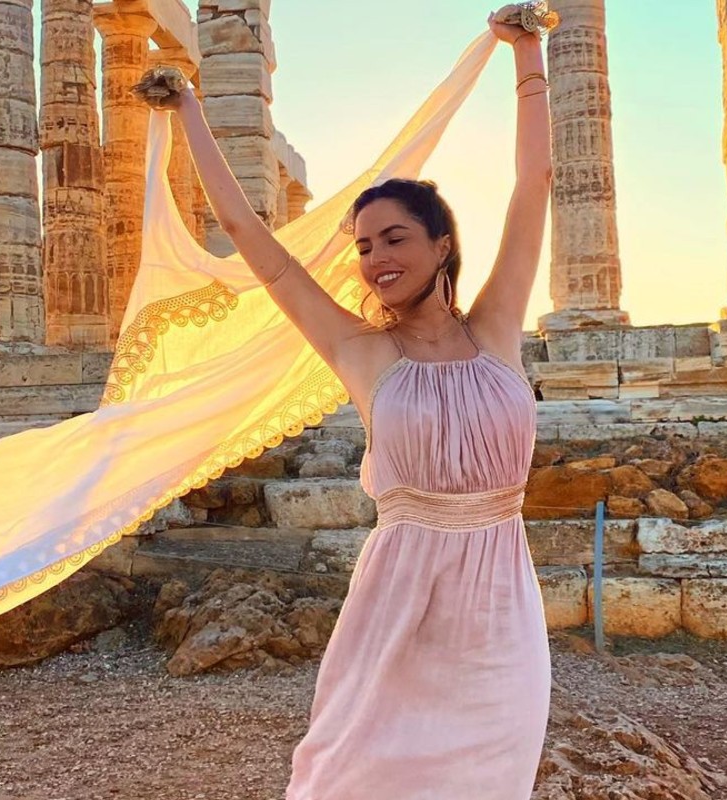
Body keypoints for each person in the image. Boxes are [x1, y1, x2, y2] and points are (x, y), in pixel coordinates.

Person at [163, 6, 553, 797]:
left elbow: (534, 185)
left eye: (395, 238)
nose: (375, 258)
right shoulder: (361, 351)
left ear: (442, 244)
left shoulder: (499, 327)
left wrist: (528, 54)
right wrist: (189, 112)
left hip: (502, 616)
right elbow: (250, 237)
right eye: (364, 245)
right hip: (396, 609)